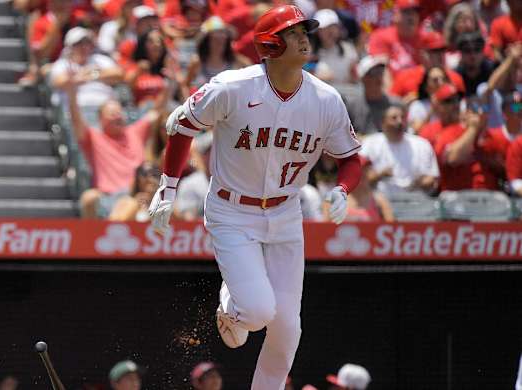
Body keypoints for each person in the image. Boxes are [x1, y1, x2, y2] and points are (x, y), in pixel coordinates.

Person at [148, 5, 361, 389]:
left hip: (285, 214)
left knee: (287, 329)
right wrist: (168, 187)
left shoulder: (326, 99)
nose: (303, 39)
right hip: (232, 210)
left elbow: (350, 158)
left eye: (304, 32)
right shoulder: (234, 86)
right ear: (270, 43)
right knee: (259, 312)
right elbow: (183, 127)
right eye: (293, 32)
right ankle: (232, 305)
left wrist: (343, 189)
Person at [65, 75, 164, 218]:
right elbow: (76, 122)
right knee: (89, 197)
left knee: (136, 203)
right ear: (100, 119)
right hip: (108, 197)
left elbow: (157, 111)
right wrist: (72, 94)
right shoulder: (93, 138)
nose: (118, 116)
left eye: (119, 113)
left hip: (138, 192)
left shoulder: (135, 131)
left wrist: (172, 84)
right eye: (112, 114)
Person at [361, 104, 440, 196]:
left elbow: (432, 178)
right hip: (381, 201)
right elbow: (361, 180)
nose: (400, 122)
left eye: (402, 117)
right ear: (383, 123)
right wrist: (380, 175)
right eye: (394, 118)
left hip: (416, 202)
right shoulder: (369, 144)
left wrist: (421, 182)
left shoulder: (421, 144)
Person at [49, 27, 124, 120]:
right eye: (78, 44)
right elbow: (61, 82)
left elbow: (118, 74)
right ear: (69, 47)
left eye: (87, 43)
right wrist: (87, 74)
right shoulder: (62, 64)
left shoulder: (100, 59)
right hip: (74, 112)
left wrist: (91, 75)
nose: (84, 47)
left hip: (104, 111)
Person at [338, 55, 401, 135]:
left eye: (380, 71)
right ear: (363, 78)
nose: (378, 77)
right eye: (373, 73)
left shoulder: (396, 104)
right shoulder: (352, 106)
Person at [367, 0, 429, 75]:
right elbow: (379, 71)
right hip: (392, 84)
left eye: (415, 12)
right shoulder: (380, 36)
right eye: (407, 12)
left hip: (419, 84)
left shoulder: (426, 39)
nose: (411, 17)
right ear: (395, 14)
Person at [311, 8, 358, 85]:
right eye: (325, 28)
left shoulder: (349, 50)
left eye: (333, 27)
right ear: (318, 31)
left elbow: (355, 78)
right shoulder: (309, 54)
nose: (331, 32)